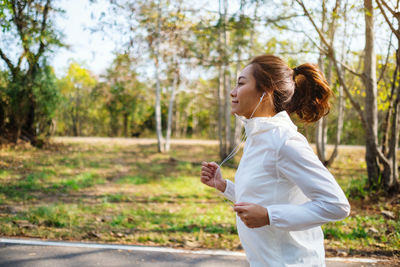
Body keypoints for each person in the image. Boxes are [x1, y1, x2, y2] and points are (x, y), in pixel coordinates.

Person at [200, 54, 350, 267]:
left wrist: (270, 216)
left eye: (241, 83)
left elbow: (336, 205)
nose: (233, 92)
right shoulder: (257, 138)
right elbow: (266, 196)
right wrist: (224, 186)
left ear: (266, 90)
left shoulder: (284, 141)